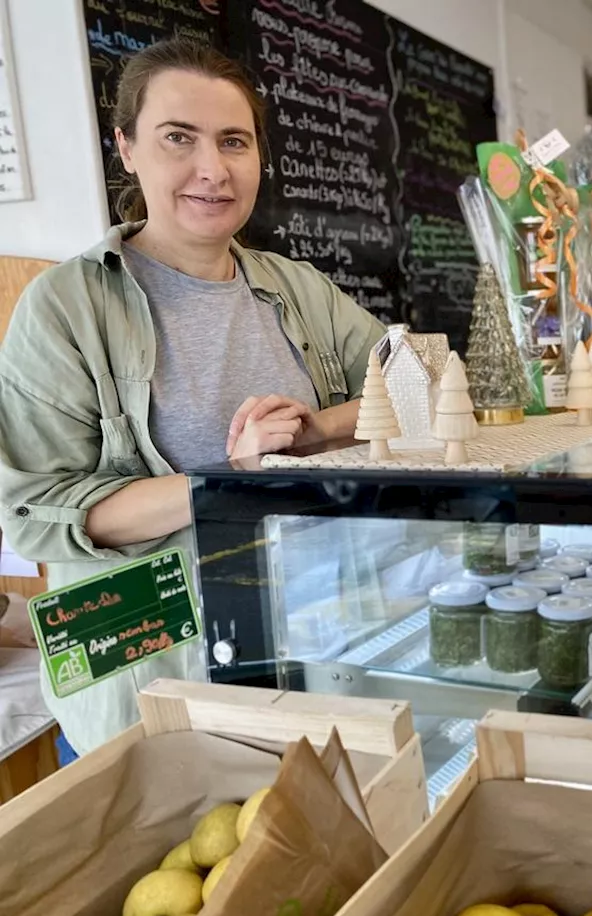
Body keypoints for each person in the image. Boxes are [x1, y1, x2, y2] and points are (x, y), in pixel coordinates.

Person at [0, 38, 385, 757]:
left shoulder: (295, 286)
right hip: (145, 683)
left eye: (233, 141)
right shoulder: (66, 305)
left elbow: (413, 385)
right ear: (126, 147)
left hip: (314, 649)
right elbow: (37, 514)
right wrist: (226, 481)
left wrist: (310, 435)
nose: (213, 170)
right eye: (179, 138)